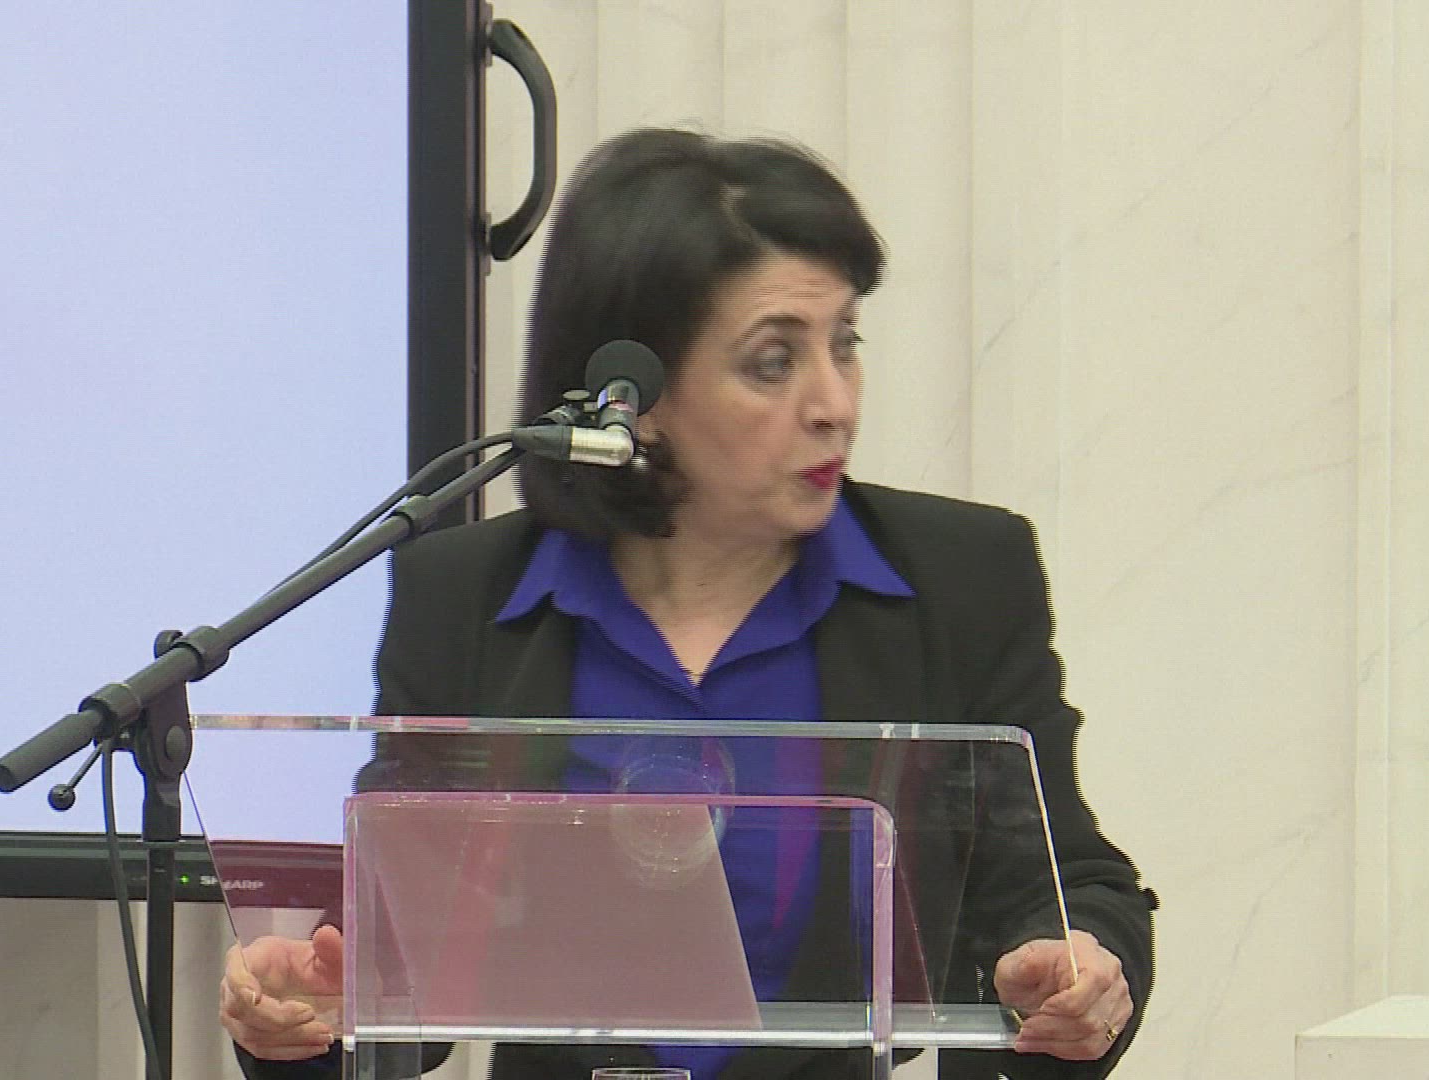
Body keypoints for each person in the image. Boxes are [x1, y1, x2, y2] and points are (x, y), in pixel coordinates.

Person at [217, 127, 1155, 1079]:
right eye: (774, 361)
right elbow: (394, 955)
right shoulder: (468, 598)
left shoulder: (961, 581)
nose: (835, 403)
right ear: (637, 398)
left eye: (844, 344)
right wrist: (307, 1007)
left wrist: (1078, 967)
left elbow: (1070, 883)